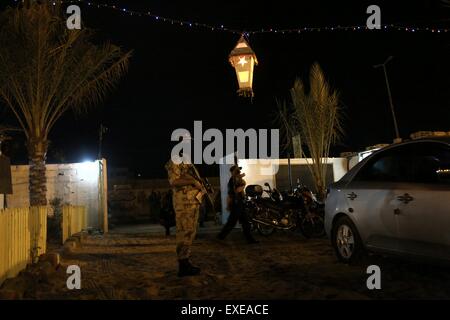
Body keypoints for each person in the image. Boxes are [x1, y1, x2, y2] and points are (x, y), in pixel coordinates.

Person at [165, 157, 204, 277]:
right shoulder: (175, 160)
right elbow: (174, 181)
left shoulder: (186, 161)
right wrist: (193, 182)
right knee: (184, 232)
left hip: (191, 203)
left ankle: (185, 262)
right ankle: (183, 265)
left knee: (190, 232)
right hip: (184, 204)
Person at [217, 165, 258, 244]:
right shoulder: (233, 180)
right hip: (236, 203)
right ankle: (220, 237)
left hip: (239, 203)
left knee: (245, 222)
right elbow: (237, 190)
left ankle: (250, 239)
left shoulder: (236, 179)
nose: (239, 172)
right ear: (233, 172)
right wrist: (243, 185)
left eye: (238, 170)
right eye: (237, 171)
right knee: (232, 222)